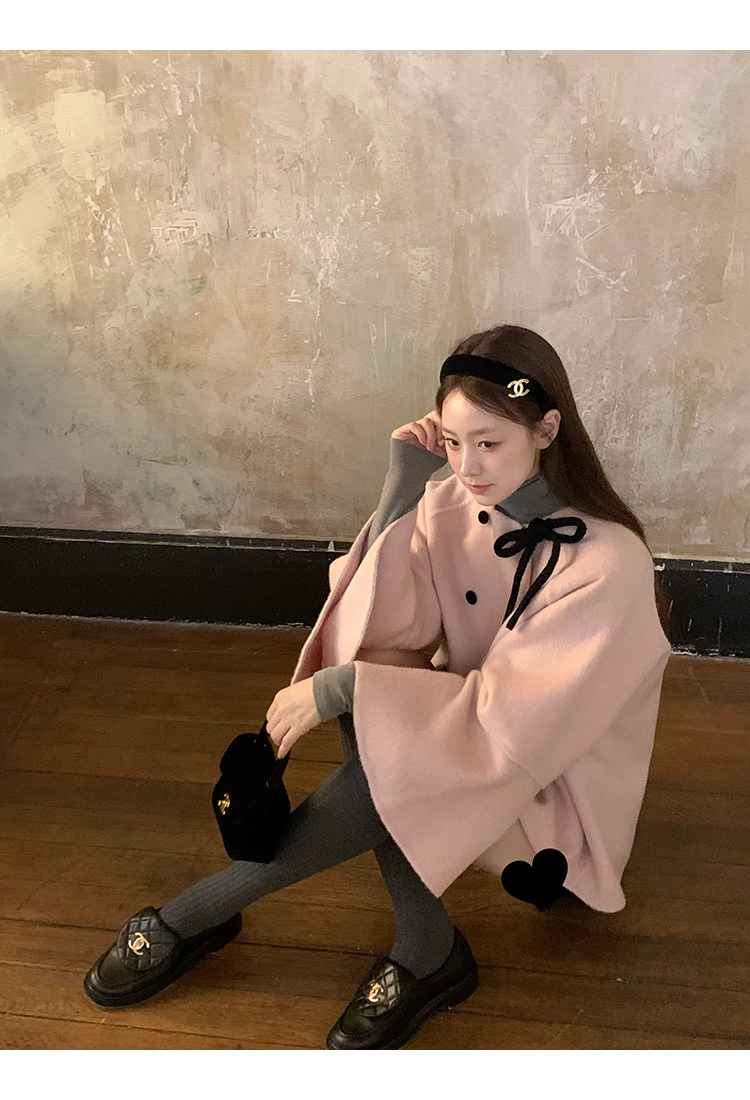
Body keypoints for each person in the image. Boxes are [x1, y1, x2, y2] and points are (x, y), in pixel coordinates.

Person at [83, 324, 671, 1050]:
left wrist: (341, 690)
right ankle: (427, 945)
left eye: (489, 443)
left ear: (547, 429)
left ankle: (198, 912)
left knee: (372, 707)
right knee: (373, 670)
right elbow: (375, 625)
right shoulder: (451, 501)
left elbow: (513, 728)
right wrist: (402, 485)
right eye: (452, 443)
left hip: (546, 785)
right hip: (467, 731)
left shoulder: (609, 563)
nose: (467, 466)